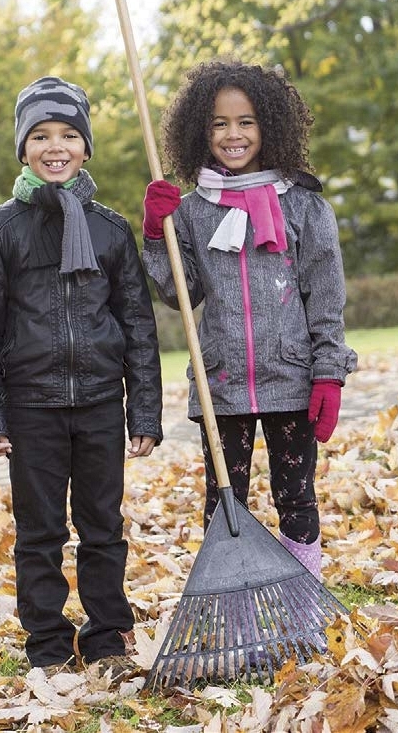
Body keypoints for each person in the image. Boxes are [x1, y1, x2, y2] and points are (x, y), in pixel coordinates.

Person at [0, 76, 162, 681]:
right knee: (40, 529)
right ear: (23, 147)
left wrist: (144, 412)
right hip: (32, 408)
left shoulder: (109, 228)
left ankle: (106, 635)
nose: (57, 146)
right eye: (42, 135)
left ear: (86, 146)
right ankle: (48, 641)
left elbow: (137, 324)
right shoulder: (1, 230)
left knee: (103, 525)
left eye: (70, 134)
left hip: (101, 402)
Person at [141, 60, 356, 580]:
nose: (233, 134)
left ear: (269, 127)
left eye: (246, 122)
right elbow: (179, 293)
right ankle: (232, 597)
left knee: (297, 497)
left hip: (292, 378)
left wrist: (329, 371)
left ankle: (302, 600)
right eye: (219, 123)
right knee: (224, 504)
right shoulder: (191, 212)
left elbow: (325, 297)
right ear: (200, 131)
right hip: (224, 382)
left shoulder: (303, 206)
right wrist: (154, 235)